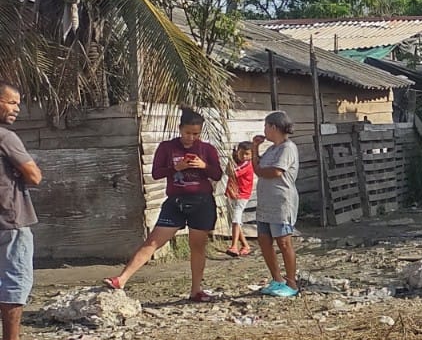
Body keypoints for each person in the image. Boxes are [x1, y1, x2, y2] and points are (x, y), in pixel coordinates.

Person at [107, 109, 223, 301]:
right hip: (175, 202)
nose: (191, 138)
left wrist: (204, 166)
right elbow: (156, 173)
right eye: (187, 133)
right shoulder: (167, 147)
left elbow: (217, 174)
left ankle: (196, 290)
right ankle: (121, 279)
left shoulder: (207, 149)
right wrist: (176, 168)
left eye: (196, 134)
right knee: (153, 241)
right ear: (180, 129)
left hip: (201, 202)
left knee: (197, 246)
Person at [0, 82, 44, 340]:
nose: (17, 108)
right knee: (15, 278)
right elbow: (34, 176)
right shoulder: (5, 137)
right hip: (10, 217)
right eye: (11, 102)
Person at [251, 111, 301, 297]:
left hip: (281, 203)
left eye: (266, 126)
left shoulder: (288, 148)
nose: (264, 130)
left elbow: (275, 172)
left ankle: (291, 283)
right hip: (265, 203)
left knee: (284, 242)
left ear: (273, 127)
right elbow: (258, 167)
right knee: (264, 240)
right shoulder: (271, 149)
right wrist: (255, 148)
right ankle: (277, 279)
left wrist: (260, 170)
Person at [224, 142, 255, 257]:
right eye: (242, 153)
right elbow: (228, 171)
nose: (244, 156)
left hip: (241, 195)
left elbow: (231, 172)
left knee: (236, 220)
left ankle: (234, 246)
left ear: (252, 155)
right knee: (235, 220)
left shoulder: (247, 164)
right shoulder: (237, 162)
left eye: (247, 154)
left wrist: (232, 160)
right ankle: (245, 245)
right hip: (232, 194)